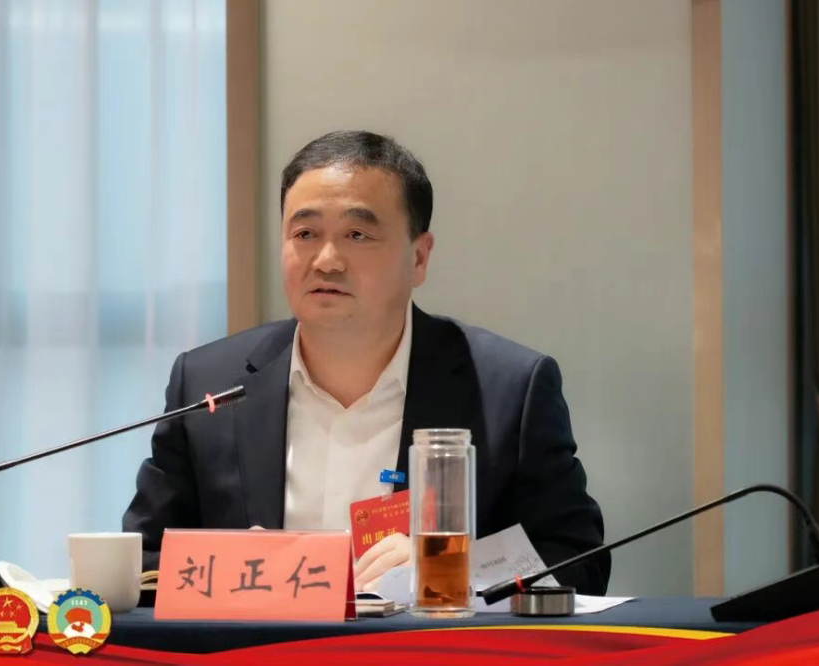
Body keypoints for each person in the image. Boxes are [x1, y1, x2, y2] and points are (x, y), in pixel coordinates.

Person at [122, 130, 610, 594]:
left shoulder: (509, 390)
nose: (326, 260)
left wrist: (450, 567)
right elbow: (143, 561)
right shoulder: (208, 384)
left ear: (419, 258)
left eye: (357, 234)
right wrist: (227, 570)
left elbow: (577, 559)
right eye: (305, 233)